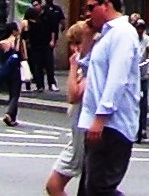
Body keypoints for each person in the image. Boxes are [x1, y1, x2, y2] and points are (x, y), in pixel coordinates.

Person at [77, 0, 143, 196]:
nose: (87, 13)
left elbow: (117, 78)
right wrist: (87, 36)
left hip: (113, 124)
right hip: (96, 122)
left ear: (106, 5)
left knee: (100, 188)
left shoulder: (123, 33)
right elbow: (86, 67)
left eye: (91, 7)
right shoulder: (104, 35)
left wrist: (101, 117)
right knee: (88, 188)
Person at [45, 19, 90, 196]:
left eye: (77, 43)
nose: (74, 48)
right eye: (71, 44)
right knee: (53, 185)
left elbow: (73, 95)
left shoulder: (91, 67)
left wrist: (73, 66)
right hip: (77, 136)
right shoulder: (82, 69)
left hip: (86, 136)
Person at [131, 13, 149, 142]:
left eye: (142, 28)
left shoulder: (146, 39)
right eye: (138, 28)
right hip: (131, 76)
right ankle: (131, 128)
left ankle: (143, 130)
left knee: (143, 104)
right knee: (131, 103)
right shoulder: (130, 39)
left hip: (142, 75)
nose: (140, 31)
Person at [0, 20, 25, 127]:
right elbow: (23, 56)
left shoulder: (2, 42)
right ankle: (9, 114)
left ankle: (13, 118)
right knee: (15, 94)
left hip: (6, 70)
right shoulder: (18, 41)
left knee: (11, 93)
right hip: (15, 70)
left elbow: (1, 57)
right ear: (14, 31)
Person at [38, 0, 66, 92]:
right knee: (41, 63)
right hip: (41, 40)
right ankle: (41, 84)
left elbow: (58, 24)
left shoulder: (56, 9)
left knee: (49, 63)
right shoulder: (43, 10)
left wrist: (53, 39)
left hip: (49, 39)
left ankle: (51, 83)